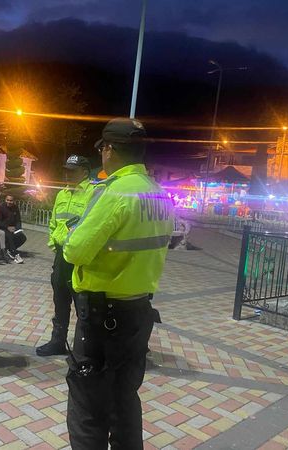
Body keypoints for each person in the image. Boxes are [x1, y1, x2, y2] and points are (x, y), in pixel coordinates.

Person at [63, 118, 173, 449]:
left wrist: (71, 234)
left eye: (103, 149)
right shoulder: (159, 194)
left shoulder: (113, 193)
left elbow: (74, 250)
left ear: (109, 149)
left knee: (88, 405)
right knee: (124, 399)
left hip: (102, 317)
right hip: (138, 313)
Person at [36, 155, 94, 357]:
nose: (67, 174)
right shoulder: (62, 194)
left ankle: (84, 348)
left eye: (72, 170)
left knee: (82, 305)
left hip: (80, 257)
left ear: (85, 172)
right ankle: (58, 341)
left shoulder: (93, 193)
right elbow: (54, 222)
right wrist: (54, 243)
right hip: (62, 256)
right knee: (60, 300)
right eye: (66, 170)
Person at [0, 194, 26, 263]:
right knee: (10, 235)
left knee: (22, 237)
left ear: (13, 201)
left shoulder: (15, 207)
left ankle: (9, 249)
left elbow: (18, 220)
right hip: (3, 227)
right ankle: (14, 253)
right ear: (5, 200)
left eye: (11, 200)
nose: (9, 202)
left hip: (13, 227)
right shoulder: (1, 207)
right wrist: (7, 227)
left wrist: (18, 228)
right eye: (8, 200)